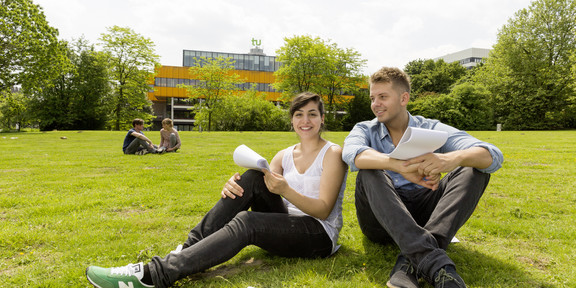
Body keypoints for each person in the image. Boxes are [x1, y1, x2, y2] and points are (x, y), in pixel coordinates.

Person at [86, 92, 348, 288]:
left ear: (322, 118)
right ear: (292, 120)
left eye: (312, 114)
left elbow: (324, 211)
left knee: (247, 221)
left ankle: (156, 274)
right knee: (253, 176)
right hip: (286, 228)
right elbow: (261, 186)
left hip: (318, 236)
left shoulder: (332, 153)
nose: (306, 120)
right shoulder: (284, 155)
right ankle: (187, 249)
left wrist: (286, 190)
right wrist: (234, 186)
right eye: (299, 114)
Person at [342, 67, 503, 288]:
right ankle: (437, 264)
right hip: (381, 221)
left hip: (425, 213)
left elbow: (492, 155)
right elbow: (352, 153)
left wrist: (450, 159)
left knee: (473, 168)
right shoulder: (365, 129)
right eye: (372, 98)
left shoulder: (431, 128)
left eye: (382, 97)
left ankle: (409, 262)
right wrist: (397, 165)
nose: (375, 104)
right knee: (369, 169)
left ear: (403, 98)